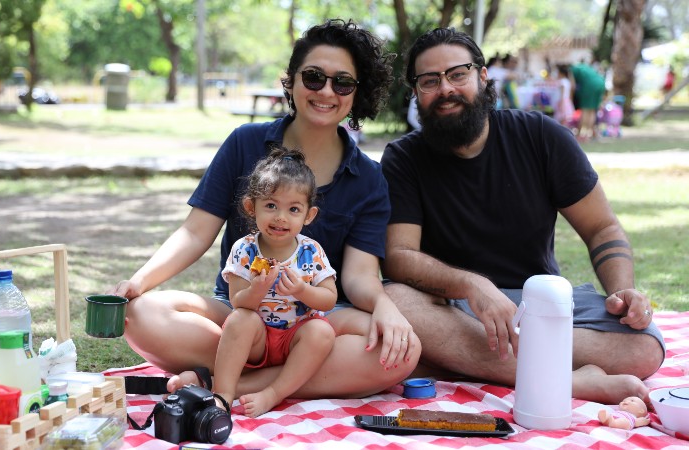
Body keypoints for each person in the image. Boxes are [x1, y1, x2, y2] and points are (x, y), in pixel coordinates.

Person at [109, 19, 420, 403]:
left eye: (342, 82)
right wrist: (137, 283)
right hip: (239, 314)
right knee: (140, 315)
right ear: (290, 82)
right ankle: (278, 376)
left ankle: (220, 383)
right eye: (313, 77)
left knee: (403, 351)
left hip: (314, 323)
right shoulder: (245, 142)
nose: (326, 91)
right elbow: (195, 232)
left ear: (357, 94)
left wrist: (386, 308)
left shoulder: (368, 178)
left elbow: (358, 277)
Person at [380, 27, 665, 406]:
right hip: (451, 305)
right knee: (394, 299)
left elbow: (602, 228)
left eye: (458, 74)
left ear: (483, 77)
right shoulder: (403, 157)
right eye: (429, 81)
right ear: (416, 92)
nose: (445, 89)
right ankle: (570, 382)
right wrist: (472, 286)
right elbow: (399, 257)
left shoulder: (542, 136)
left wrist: (621, 291)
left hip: (541, 306)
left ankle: (453, 359)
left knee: (645, 347)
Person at [215, 146, 337, 417]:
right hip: (257, 340)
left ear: (309, 215)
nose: (281, 217)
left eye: (293, 209)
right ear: (251, 207)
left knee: (323, 331)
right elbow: (237, 302)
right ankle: (222, 394)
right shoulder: (244, 250)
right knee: (240, 319)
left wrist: (302, 290)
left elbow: (329, 298)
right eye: (270, 206)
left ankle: (274, 393)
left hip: (296, 338)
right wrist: (257, 288)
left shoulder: (310, 251)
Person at [571, 60, 606, 141]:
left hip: (590, 86)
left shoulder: (572, 69)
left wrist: (571, 97)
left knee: (585, 111)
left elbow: (572, 85)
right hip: (600, 83)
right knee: (592, 110)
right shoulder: (586, 68)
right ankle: (588, 133)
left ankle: (581, 134)